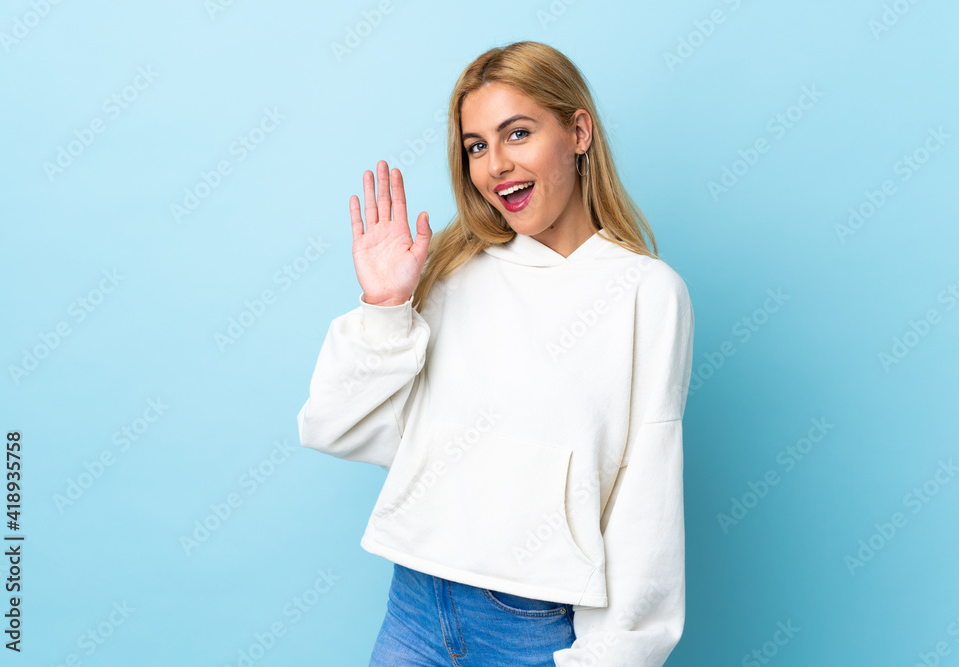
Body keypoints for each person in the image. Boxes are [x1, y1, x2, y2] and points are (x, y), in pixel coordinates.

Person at [296, 40, 694, 667]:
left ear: (579, 130)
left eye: (517, 134)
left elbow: (646, 496)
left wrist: (613, 657)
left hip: (535, 625)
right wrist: (384, 305)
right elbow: (334, 427)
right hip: (417, 606)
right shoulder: (453, 271)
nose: (495, 165)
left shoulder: (647, 294)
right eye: (477, 145)